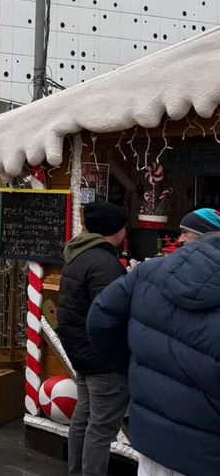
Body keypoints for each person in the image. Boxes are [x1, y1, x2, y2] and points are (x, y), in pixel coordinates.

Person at [88, 231, 220, 476]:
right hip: (207, 448)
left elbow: (100, 317)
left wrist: (133, 367)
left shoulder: (148, 272)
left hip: (151, 437)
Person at [56, 201, 130, 476]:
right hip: (103, 358)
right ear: (115, 230)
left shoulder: (79, 254)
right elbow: (109, 314)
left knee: (83, 418)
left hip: (82, 353)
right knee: (101, 428)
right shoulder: (105, 263)